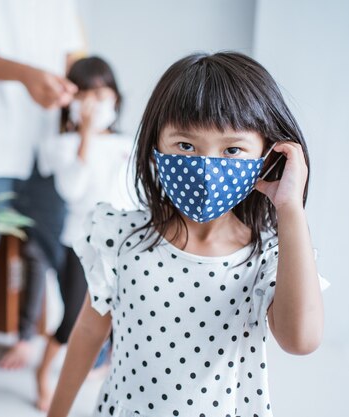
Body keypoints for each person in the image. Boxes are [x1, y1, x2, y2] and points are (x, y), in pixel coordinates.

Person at [46, 51, 331, 417]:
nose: (206, 167)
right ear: (155, 146)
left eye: (232, 149)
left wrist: (290, 208)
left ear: (268, 156)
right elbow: (88, 331)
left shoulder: (270, 256)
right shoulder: (120, 237)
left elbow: (301, 339)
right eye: (185, 146)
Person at [0, 0, 83, 414]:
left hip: (45, 145)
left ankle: (68, 352)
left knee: (68, 255)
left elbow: (75, 52)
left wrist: (84, 87)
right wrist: (26, 75)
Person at [35, 56, 137, 412]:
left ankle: (101, 366)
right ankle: (43, 376)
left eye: (101, 95)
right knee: (71, 320)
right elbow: (72, 190)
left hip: (123, 243)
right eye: (85, 96)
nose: (94, 105)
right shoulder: (60, 145)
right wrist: (87, 135)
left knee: (119, 316)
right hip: (79, 243)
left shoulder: (129, 144)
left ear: (116, 99)